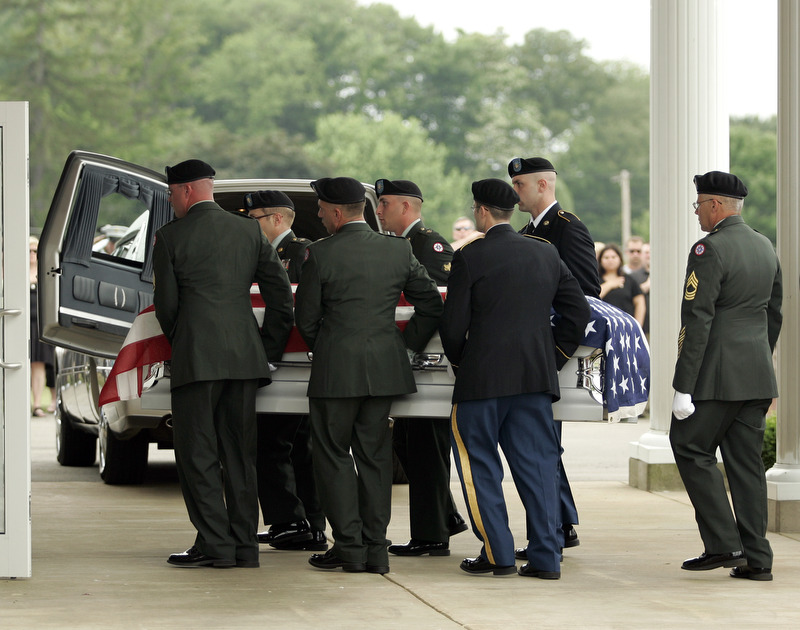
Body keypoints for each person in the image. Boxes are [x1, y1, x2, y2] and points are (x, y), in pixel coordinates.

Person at [440, 179, 590, 579]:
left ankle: (498, 554)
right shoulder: (545, 254)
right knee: (539, 468)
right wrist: (552, 357)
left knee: (480, 467)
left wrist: (461, 363)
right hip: (535, 380)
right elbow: (578, 313)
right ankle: (545, 558)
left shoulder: (471, 256)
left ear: (482, 212)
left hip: (482, 381)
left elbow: (453, 328)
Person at [294, 176, 443, 574]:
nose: (320, 216)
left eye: (322, 210)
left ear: (338, 212)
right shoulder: (397, 251)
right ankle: (376, 549)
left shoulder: (319, 254)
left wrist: (327, 344)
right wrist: (407, 346)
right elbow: (430, 302)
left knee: (331, 455)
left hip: (335, 370)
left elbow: (306, 319)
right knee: (375, 458)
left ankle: (349, 546)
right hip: (383, 367)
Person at [153, 160, 294, 568]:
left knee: (198, 453)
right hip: (245, 358)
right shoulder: (249, 229)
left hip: (198, 356)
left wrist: (185, 342)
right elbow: (280, 297)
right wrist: (266, 349)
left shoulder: (171, 236)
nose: (170, 200)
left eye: (171, 193)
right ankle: (244, 547)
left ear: (186, 191)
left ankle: (216, 544)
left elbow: (167, 306)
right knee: (240, 454)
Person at [670, 171, 782, 582]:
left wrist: (684, 384)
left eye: (699, 204)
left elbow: (697, 319)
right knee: (746, 466)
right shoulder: (763, 244)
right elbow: (775, 313)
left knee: (688, 445)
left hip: (715, 376)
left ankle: (723, 544)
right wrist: (758, 359)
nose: (697, 212)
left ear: (715, 205)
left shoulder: (708, 249)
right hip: (754, 374)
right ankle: (757, 558)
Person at [508, 156, 600, 553]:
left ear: (543, 185)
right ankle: (561, 524)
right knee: (540, 443)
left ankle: (555, 529)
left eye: (520, 185)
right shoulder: (525, 230)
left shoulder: (567, 227)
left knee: (540, 444)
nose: (515, 193)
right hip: (531, 349)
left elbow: (586, 293)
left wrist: (559, 352)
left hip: (551, 350)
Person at [372, 178, 467, 559]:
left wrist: (406, 347)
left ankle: (432, 536)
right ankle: (443, 520)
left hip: (429, 364)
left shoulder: (429, 244)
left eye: (384, 204)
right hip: (410, 363)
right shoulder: (398, 245)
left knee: (425, 447)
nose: (377, 211)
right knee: (406, 443)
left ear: (407, 208)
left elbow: (437, 302)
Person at [242, 190, 326, 552]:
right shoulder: (258, 254)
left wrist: (268, 356)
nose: (249, 226)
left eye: (254, 218)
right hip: (288, 363)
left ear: (277, 219)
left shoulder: (301, 252)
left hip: (293, 363)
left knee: (272, 443)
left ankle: (291, 521)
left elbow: (300, 309)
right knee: (296, 447)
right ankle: (308, 523)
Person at [30, 235, 56, 416]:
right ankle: (34, 402)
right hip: (25, 325)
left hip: (41, 323)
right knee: (31, 365)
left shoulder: (45, 271)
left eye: (35, 251)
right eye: (29, 251)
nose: (32, 255)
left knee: (46, 364)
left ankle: (46, 402)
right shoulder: (12, 272)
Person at [597, 243, 646, 328]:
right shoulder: (595, 280)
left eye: (613, 257)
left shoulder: (629, 280)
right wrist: (610, 285)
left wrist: (637, 325)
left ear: (620, 259)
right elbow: (593, 298)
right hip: (602, 327)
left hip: (626, 327)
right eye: (606, 257)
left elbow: (640, 302)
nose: (610, 260)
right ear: (600, 260)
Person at [629, 242, 651, 336]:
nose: (648, 255)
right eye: (646, 252)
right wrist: (646, 286)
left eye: (650, 252)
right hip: (642, 329)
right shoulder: (632, 277)